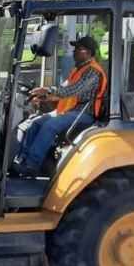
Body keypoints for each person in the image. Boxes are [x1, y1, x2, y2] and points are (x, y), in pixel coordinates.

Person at [12, 35, 107, 176]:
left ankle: (32, 166)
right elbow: (62, 89)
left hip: (83, 113)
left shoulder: (93, 71)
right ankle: (21, 160)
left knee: (50, 126)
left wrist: (48, 91)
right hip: (67, 111)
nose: (74, 52)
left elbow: (73, 90)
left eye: (78, 49)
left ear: (88, 52)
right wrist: (42, 96)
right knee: (34, 123)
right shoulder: (79, 69)